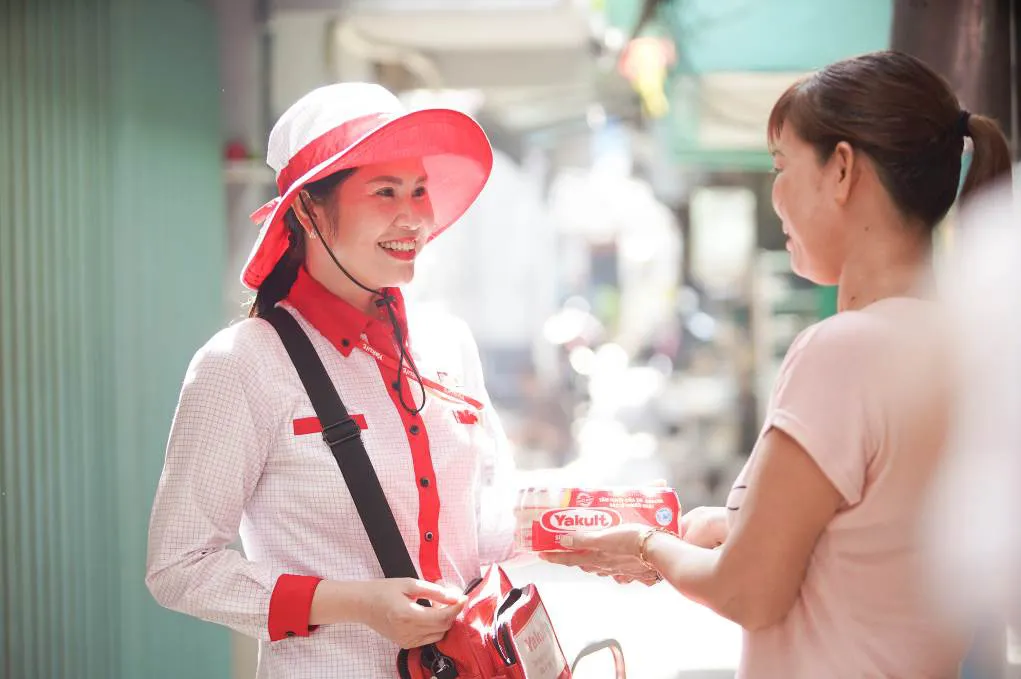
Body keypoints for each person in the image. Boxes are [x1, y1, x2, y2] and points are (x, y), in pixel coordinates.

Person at [543, 50, 1013, 678]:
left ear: (841, 170)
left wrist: (645, 546)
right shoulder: (966, 341)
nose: (777, 193)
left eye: (781, 164)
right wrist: (722, 525)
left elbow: (748, 593)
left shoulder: (844, 350)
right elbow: (866, 547)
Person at [146, 82, 517, 678]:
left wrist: (619, 536)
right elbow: (179, 566)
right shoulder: (242, 364)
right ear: (307, 210)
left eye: (420, 190)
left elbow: (491, 519)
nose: (414, 216)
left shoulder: (449, 344)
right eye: (385, 191)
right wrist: (354, 604)